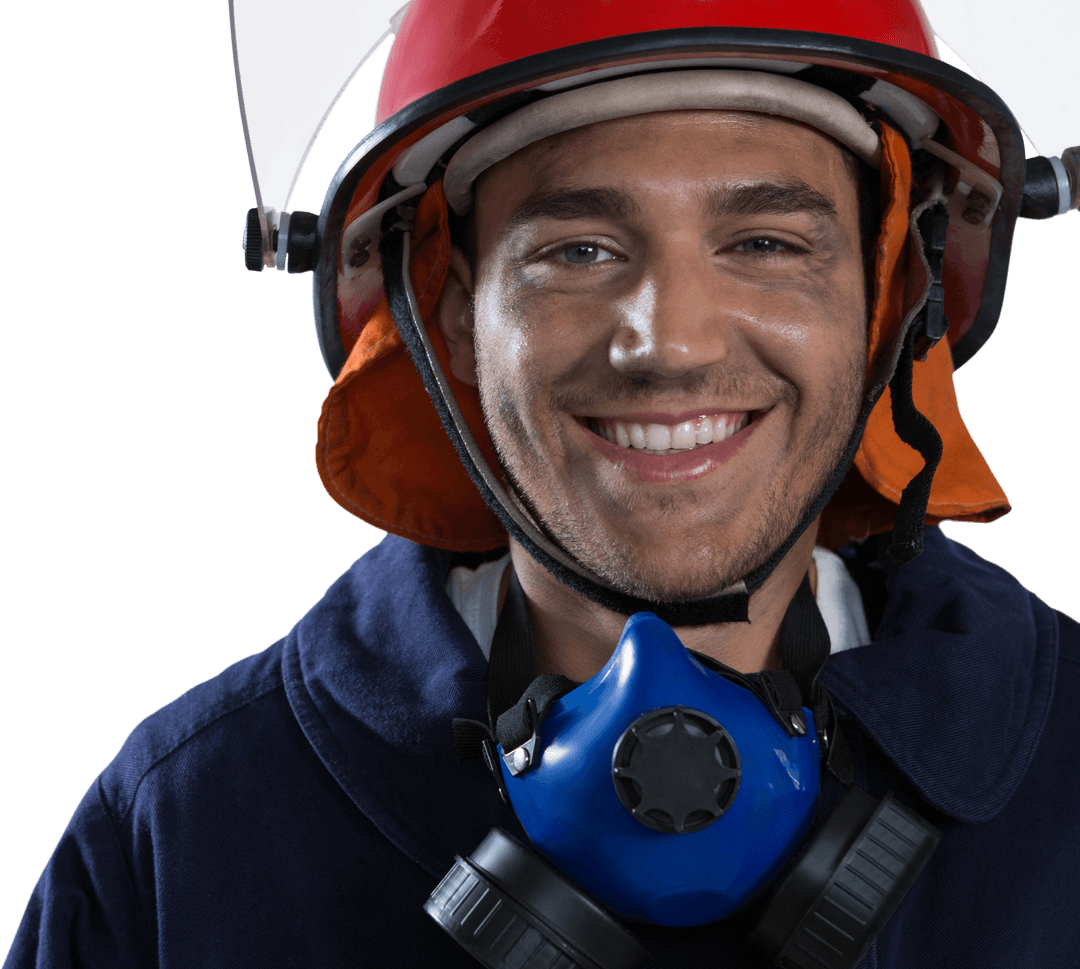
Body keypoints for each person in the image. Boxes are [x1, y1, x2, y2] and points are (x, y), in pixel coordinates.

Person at [5, 0, 1079, 966]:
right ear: (449, 315)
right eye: (577, 250)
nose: (672, 344)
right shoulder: (182, 837)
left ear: (893, 294)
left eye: (763, 241)